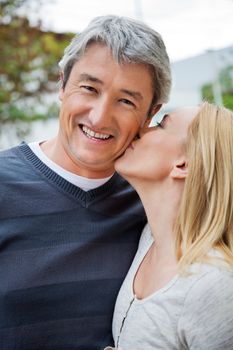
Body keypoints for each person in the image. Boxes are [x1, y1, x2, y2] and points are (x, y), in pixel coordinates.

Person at [0, 15, 171, 349]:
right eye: (89, 88)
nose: (99, 117)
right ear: (61, 85)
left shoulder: (154, 204)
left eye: (126, 101)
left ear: (151, 114)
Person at [108, 102, 233, 349]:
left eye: (161, 124)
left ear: (183, 165)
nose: (142, 129)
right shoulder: (148, 240)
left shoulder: (213, 286)